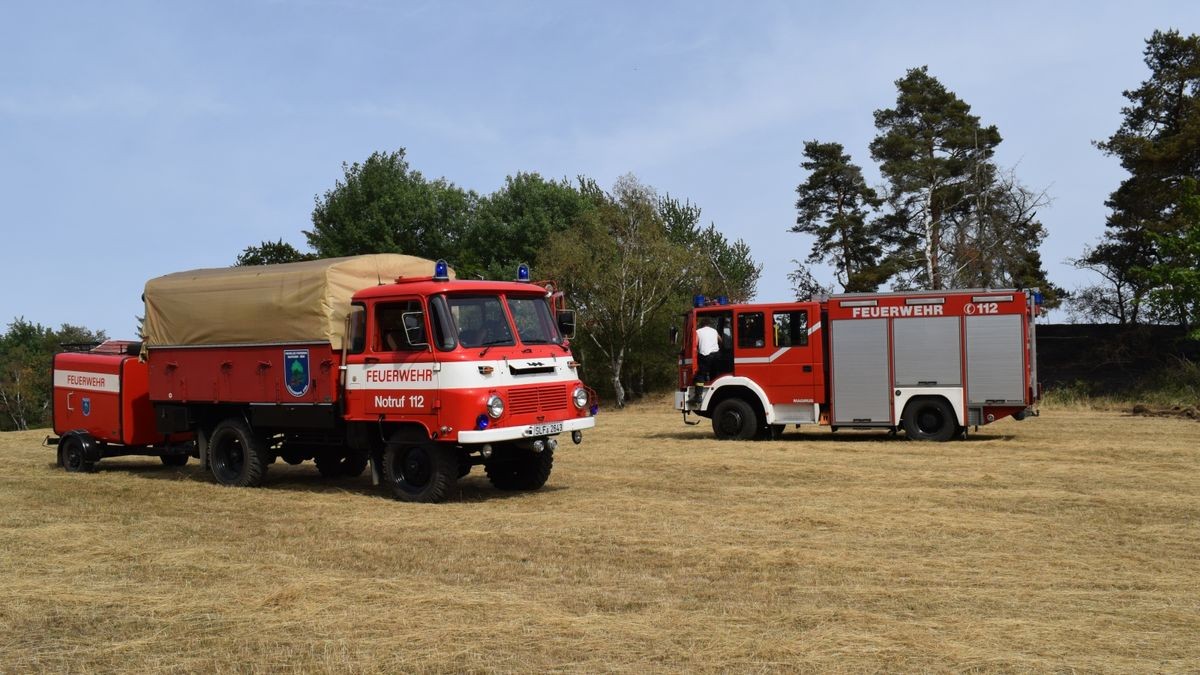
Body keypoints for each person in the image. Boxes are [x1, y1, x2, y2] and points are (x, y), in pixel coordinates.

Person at [695, 317, 721, 385]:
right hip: (716, 355)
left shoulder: (698, 331)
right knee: (715, 373)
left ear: (701, 324)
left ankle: (699, 393)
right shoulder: (714, 331)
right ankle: (715, 386)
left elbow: (695, 343)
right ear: (709, 324)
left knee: (700, 375)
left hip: (704, 356)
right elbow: (720, 340)